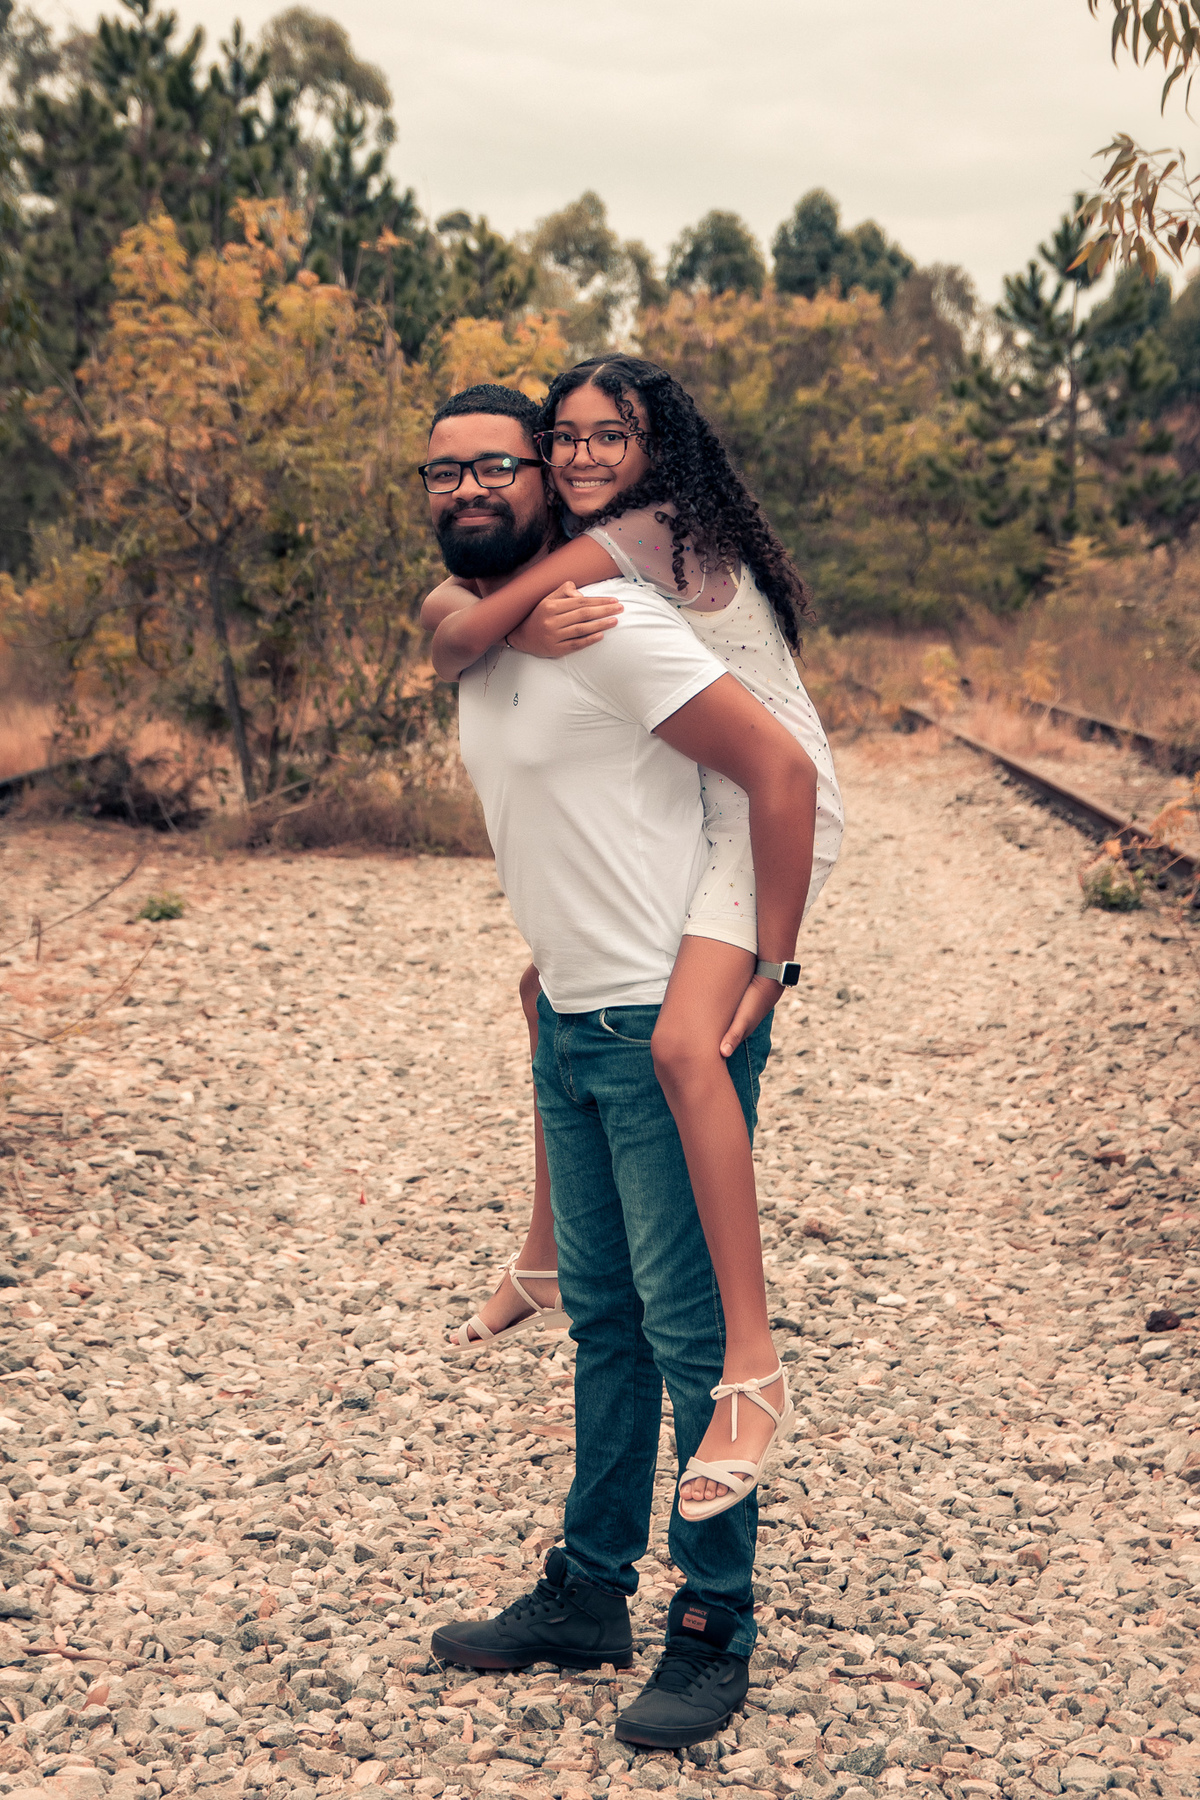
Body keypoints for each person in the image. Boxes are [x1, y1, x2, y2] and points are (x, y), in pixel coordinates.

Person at [419, 382, 817, 1747]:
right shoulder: (498, 632)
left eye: (496, 466)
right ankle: (590, 1592)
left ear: (550, 480)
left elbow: (777, 763)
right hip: (574, 1022)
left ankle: (713, 1623)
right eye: (441, 472)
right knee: (604, 1326)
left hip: (664, 1016)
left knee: (691, 1331)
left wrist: (768, 965)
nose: (468, 490)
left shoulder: (616, 624)